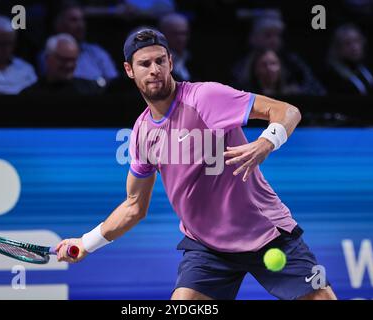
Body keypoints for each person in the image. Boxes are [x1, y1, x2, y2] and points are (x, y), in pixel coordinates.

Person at [55, 28, 338, 300]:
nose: (154, 69)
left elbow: (287, 111)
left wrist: (266, 143)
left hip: (264, 233)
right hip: (207, 247)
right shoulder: (142, 134)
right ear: (129, 70)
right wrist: (85, 243)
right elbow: (133, 207)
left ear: (170, 62)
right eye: (144, 63)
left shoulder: (205, 98)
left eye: (160, 61)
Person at [233, 15, 326, 95]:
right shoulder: (241, 66)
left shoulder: (293, 62)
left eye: (278, 36)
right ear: (254, 38)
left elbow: (318, 90)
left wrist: (298, 92)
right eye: (268, 35)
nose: (274, 41)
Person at [38, 1, 118, 88]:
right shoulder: (50, 53)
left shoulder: (96, 52)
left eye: (82, 20)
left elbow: (114, 82)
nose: (80, 25)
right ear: (58, 24)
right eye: (73, 20)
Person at [21, 33, 102, 95]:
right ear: (48, 59)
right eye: (63, 60)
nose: (69, 65)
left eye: (73, 60)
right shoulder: (30, 94)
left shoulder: (90, 89)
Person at [324, 24, 373, 95]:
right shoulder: (334, 77)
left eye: (357, 41)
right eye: (347, 43)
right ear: (338, 48)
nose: (354, 47)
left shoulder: (365, 68)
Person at [158, 13, 192, 81]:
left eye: (183, 33)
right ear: (163, 35)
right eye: (175, 33)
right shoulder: (157, 62)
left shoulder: (192, 59)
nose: (180, 38)